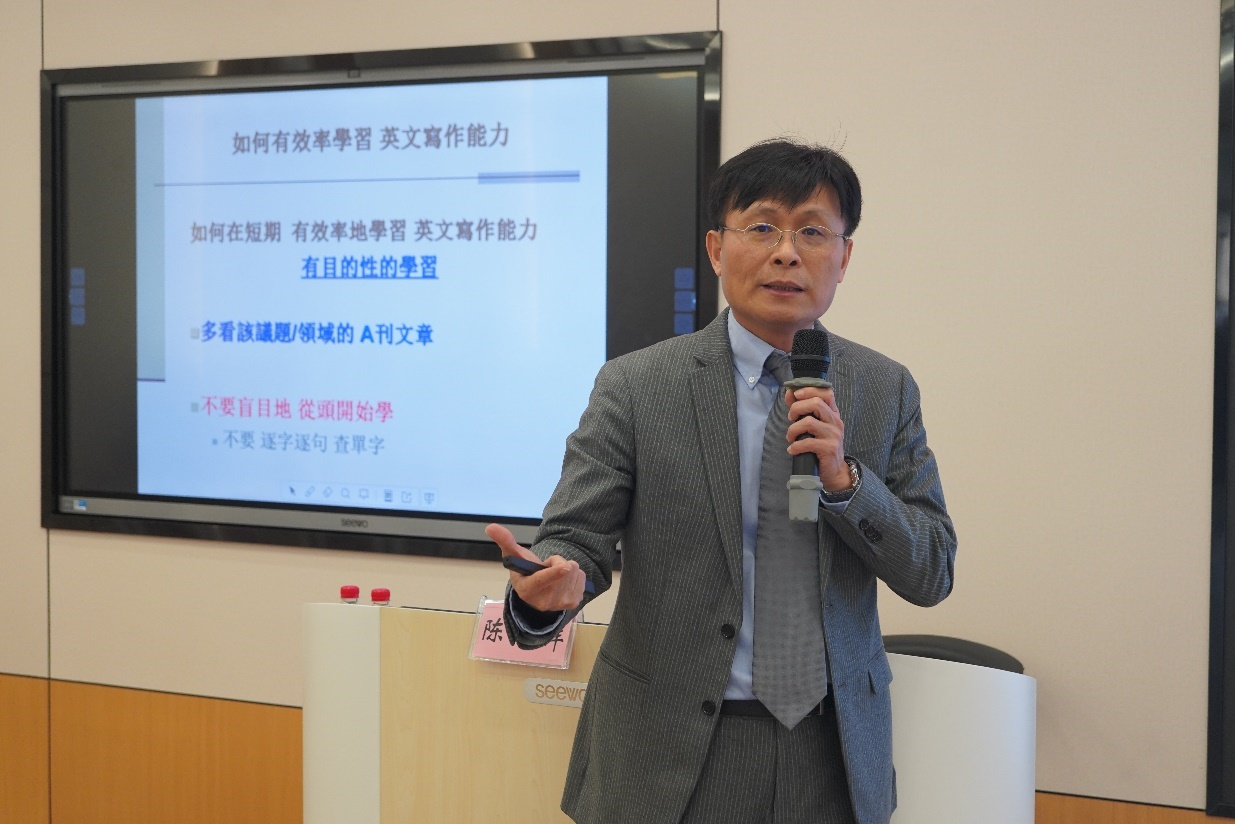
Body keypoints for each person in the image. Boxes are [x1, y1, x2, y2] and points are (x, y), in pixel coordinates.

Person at [486, 138, 956, 824]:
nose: (786, 253)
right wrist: (546, 591)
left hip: (831, 753)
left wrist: (846, 481)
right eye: (762, 227)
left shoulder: (884, 389)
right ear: (715, 248)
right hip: (670, 753)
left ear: (844, 256)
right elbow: (576, 540)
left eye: (812, 232)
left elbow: (933, 569)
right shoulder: (638, 386)